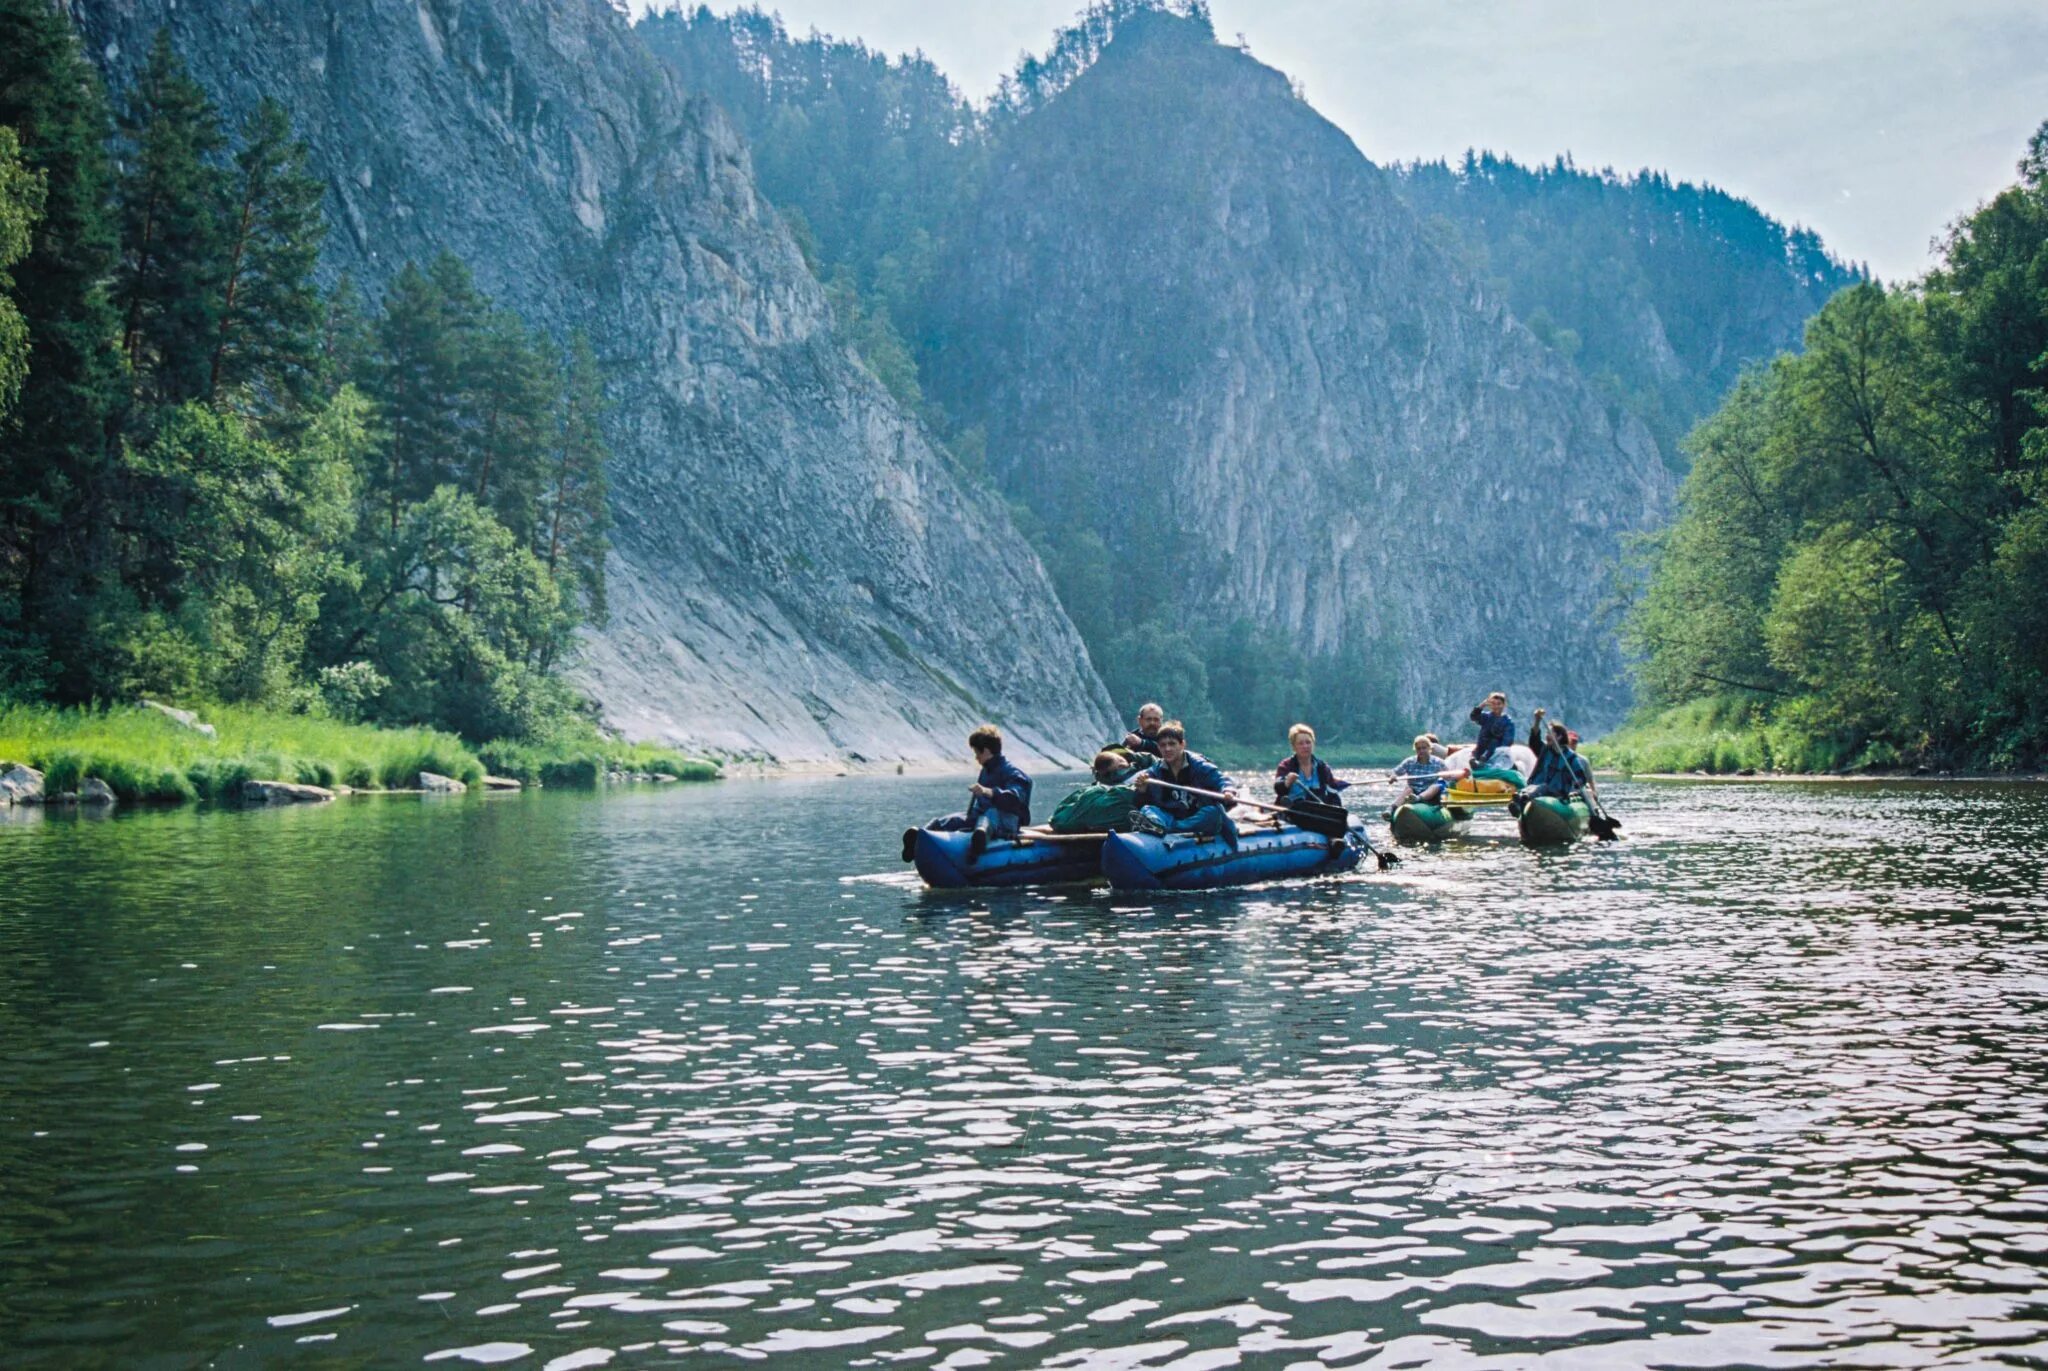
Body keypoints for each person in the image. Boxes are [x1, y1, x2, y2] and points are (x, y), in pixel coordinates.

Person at [901, 724, 1032, 861]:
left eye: (977, 753)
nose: (976, 758)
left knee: (989, 815)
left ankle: (978, 845)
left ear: (986, 751)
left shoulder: (1014, 774)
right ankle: (921, 836)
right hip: (980, 816)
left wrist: (988, 792)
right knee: (955, 819)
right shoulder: (986, 771)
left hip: (1005, 822)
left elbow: (1015, 798)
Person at [1131, 721, 1239, 848]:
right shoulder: (1154, 771)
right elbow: (1142, 801)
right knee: (1147, 810)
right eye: (1162, 745)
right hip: (1172, 817)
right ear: (1158, 748)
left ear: (1182, 744)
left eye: (1172, 744)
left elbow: (1222, 780)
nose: (1167, 749)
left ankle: (1168, 830)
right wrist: (1142, 791)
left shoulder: (1199, 765)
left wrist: (1228, 791)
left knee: (1212, 813)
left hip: (1197, 816)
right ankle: (1165, 827)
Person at [1514, 711, 1593, 813]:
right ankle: (1520, 799)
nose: (1547, 736)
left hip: (1557, 790)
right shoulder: (1545, 750)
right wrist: (1537, 720)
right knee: (1532, 787)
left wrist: (1577, 784)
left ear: (1559, 737)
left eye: (1550, 733)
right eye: (1547, 733)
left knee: (1542, 787)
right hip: (1538, 786)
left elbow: (1580, 777)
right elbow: (1534, 740)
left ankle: (1525, 797)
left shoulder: (1570, 756)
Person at [1049, 751, 1143, 833]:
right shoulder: (1128, 787)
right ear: (1121, 765)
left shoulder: (1090, 790)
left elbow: (1058, 818)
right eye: (1121, 759)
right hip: (1111, 824)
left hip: (1075, 824)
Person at [1272, 723, 1348, 806]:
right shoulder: (1286, 766)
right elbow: (1278, 789)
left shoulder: (1322, 767)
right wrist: (1286, 783)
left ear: (1313, 744)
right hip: (1292, 811)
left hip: (1316, 811)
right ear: (1294, 747)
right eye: (1300, 743)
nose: (1305, 746)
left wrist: (1337, 813)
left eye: (1308, 742)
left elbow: (1333, 794)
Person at [1390, 734, 1470, 807]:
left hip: (1431, 794)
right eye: (1419, 749)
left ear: (1429, 748)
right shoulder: (1409, 761)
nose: (1421, 751)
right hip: (1413, 791)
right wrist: (1393, 776)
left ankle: (1418, 799)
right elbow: (1394, 771)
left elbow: (1449, 777)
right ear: (1416, 750)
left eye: (1424, 748)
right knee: (1408, 789)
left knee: (1436, 786)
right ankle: (1392, 808)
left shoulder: (1438, 762)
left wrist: (1462, 774)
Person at [1469, 692, 1516, 769]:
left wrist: (1495, 751)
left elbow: (1507, 741)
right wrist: (1482, 705)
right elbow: (1474, 717)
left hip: (1497, 751)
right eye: (1493, 704)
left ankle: (1484, 760)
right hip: (1482, 747)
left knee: (1494, 742)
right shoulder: (1487, 717)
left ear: (1504, 705)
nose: (1496, 706)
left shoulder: (1508, 722)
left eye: (1499, 704)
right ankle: (1475, 760)